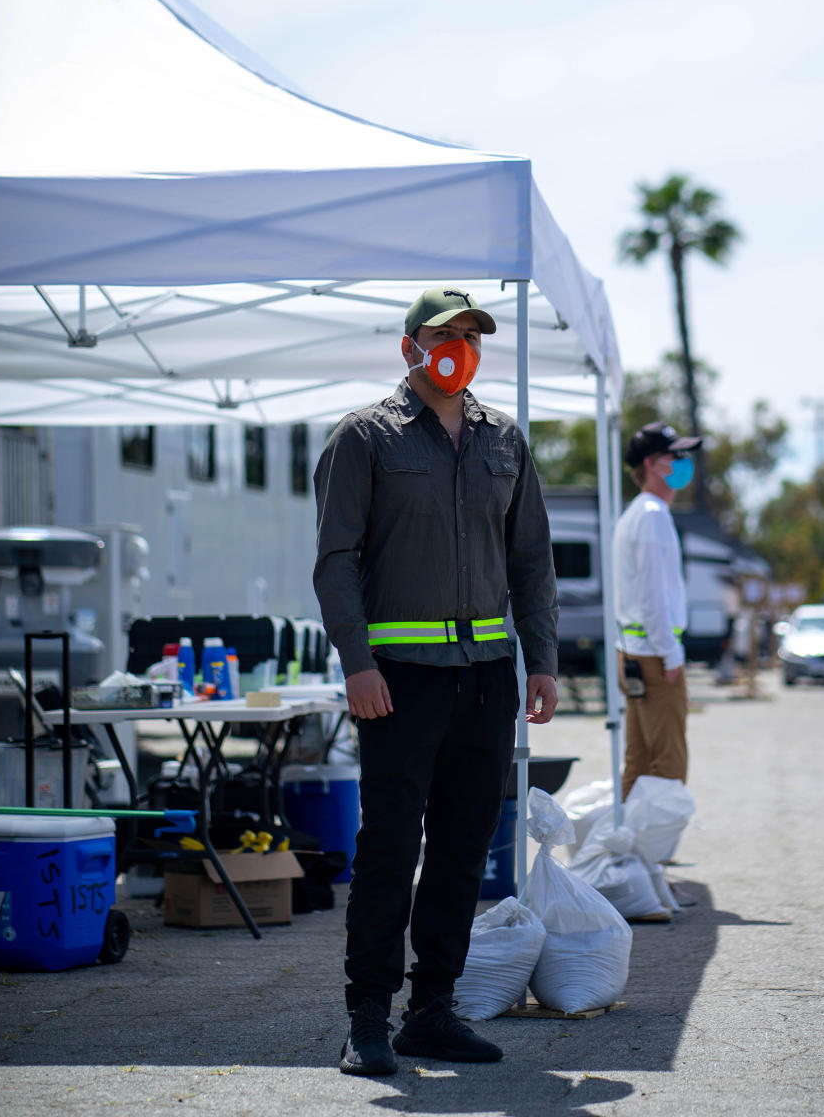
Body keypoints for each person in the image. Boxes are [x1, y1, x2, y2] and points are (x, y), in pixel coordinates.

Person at [313, 286, 559, 1078]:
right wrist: (357, 662)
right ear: (410, 345)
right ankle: (367, 1018)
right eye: (445, 334)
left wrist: (542, 660)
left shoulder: (504, 440)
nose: (461, 345)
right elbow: (335, 562)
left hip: (486, 681)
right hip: (398, 683)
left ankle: (433, 1011)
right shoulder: (366, 437)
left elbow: (531, 563)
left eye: (471, 334)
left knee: (461, 851)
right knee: (389, 849)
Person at [613, 421, 702, 800]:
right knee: (668, 762)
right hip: (652, 655)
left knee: (640, 758)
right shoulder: (653, 516)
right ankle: (652, 853)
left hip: (633, 650)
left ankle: (630, 849)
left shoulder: (637, 512)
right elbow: (654, 596)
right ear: (651, 464)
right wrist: (670, 653)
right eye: (674, 455)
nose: (683, 462)